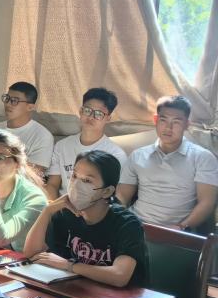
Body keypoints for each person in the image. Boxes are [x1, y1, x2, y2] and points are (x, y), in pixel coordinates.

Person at [25, 151, 149, 287]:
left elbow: (119, 276)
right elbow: (32, 254)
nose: (76, 185)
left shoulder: (127, 223)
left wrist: (69, 265)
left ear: (106, 191)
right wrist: (47, 211)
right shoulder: (64, 214)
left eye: (87, 181)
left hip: (120, 297)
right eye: (74, 176)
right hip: (76, 289)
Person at [117, 96, 218, 231]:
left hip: (177, 231)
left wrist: (180, 227)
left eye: (176, 122)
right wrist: (119, 220)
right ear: (155, 120)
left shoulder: (203, 158)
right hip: (134, 226)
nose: (168, 127)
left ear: (187, 125)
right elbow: (122, 195)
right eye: (163, 120)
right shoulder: (138, 155)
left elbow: (207, 203)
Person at [46, 87, 127, 199]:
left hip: (94, 208)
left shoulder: (115, 154)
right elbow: (52, 185)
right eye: (88, 110)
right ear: (81, 111)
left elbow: (115, 195)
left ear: (108, 118)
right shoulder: (62, 145)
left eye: (99, 114)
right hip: (62, 205)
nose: (91, 117)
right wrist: (54, 207)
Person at [0, 81, 54, 175]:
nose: (8, 104)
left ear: (30, 107)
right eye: (7, 98)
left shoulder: (42, 136)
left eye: (14, 101)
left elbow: (34, 175)